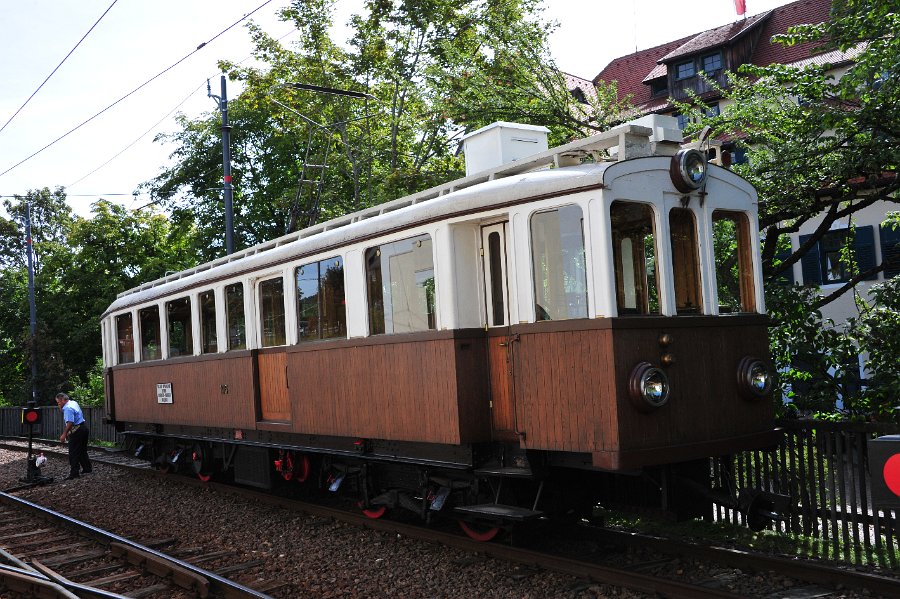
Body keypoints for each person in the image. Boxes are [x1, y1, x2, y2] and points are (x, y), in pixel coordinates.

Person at [55, 393, 92, 479]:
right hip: (83, 428)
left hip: (77, 431)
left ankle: (74, 473)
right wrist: (61, 407)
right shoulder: (73, 403)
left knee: (73, 452)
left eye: (58, 402)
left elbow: (70, 423)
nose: (58, 404)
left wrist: (64, 434)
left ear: (62, 400)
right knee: (82, 450)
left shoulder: (68, 408)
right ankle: (87, 468)